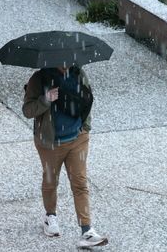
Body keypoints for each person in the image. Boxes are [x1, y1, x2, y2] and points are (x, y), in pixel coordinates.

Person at [22, 64, 107, 248]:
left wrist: (85, 128)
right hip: (50, 143)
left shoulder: (78, 73)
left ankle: (87, 231)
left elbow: (87, 100)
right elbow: (27, 111)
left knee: (80, 182)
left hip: (77, 139)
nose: (66, 62)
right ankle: (50, 216)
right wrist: (46, 99)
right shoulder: (39, 78)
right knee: (51, 181)